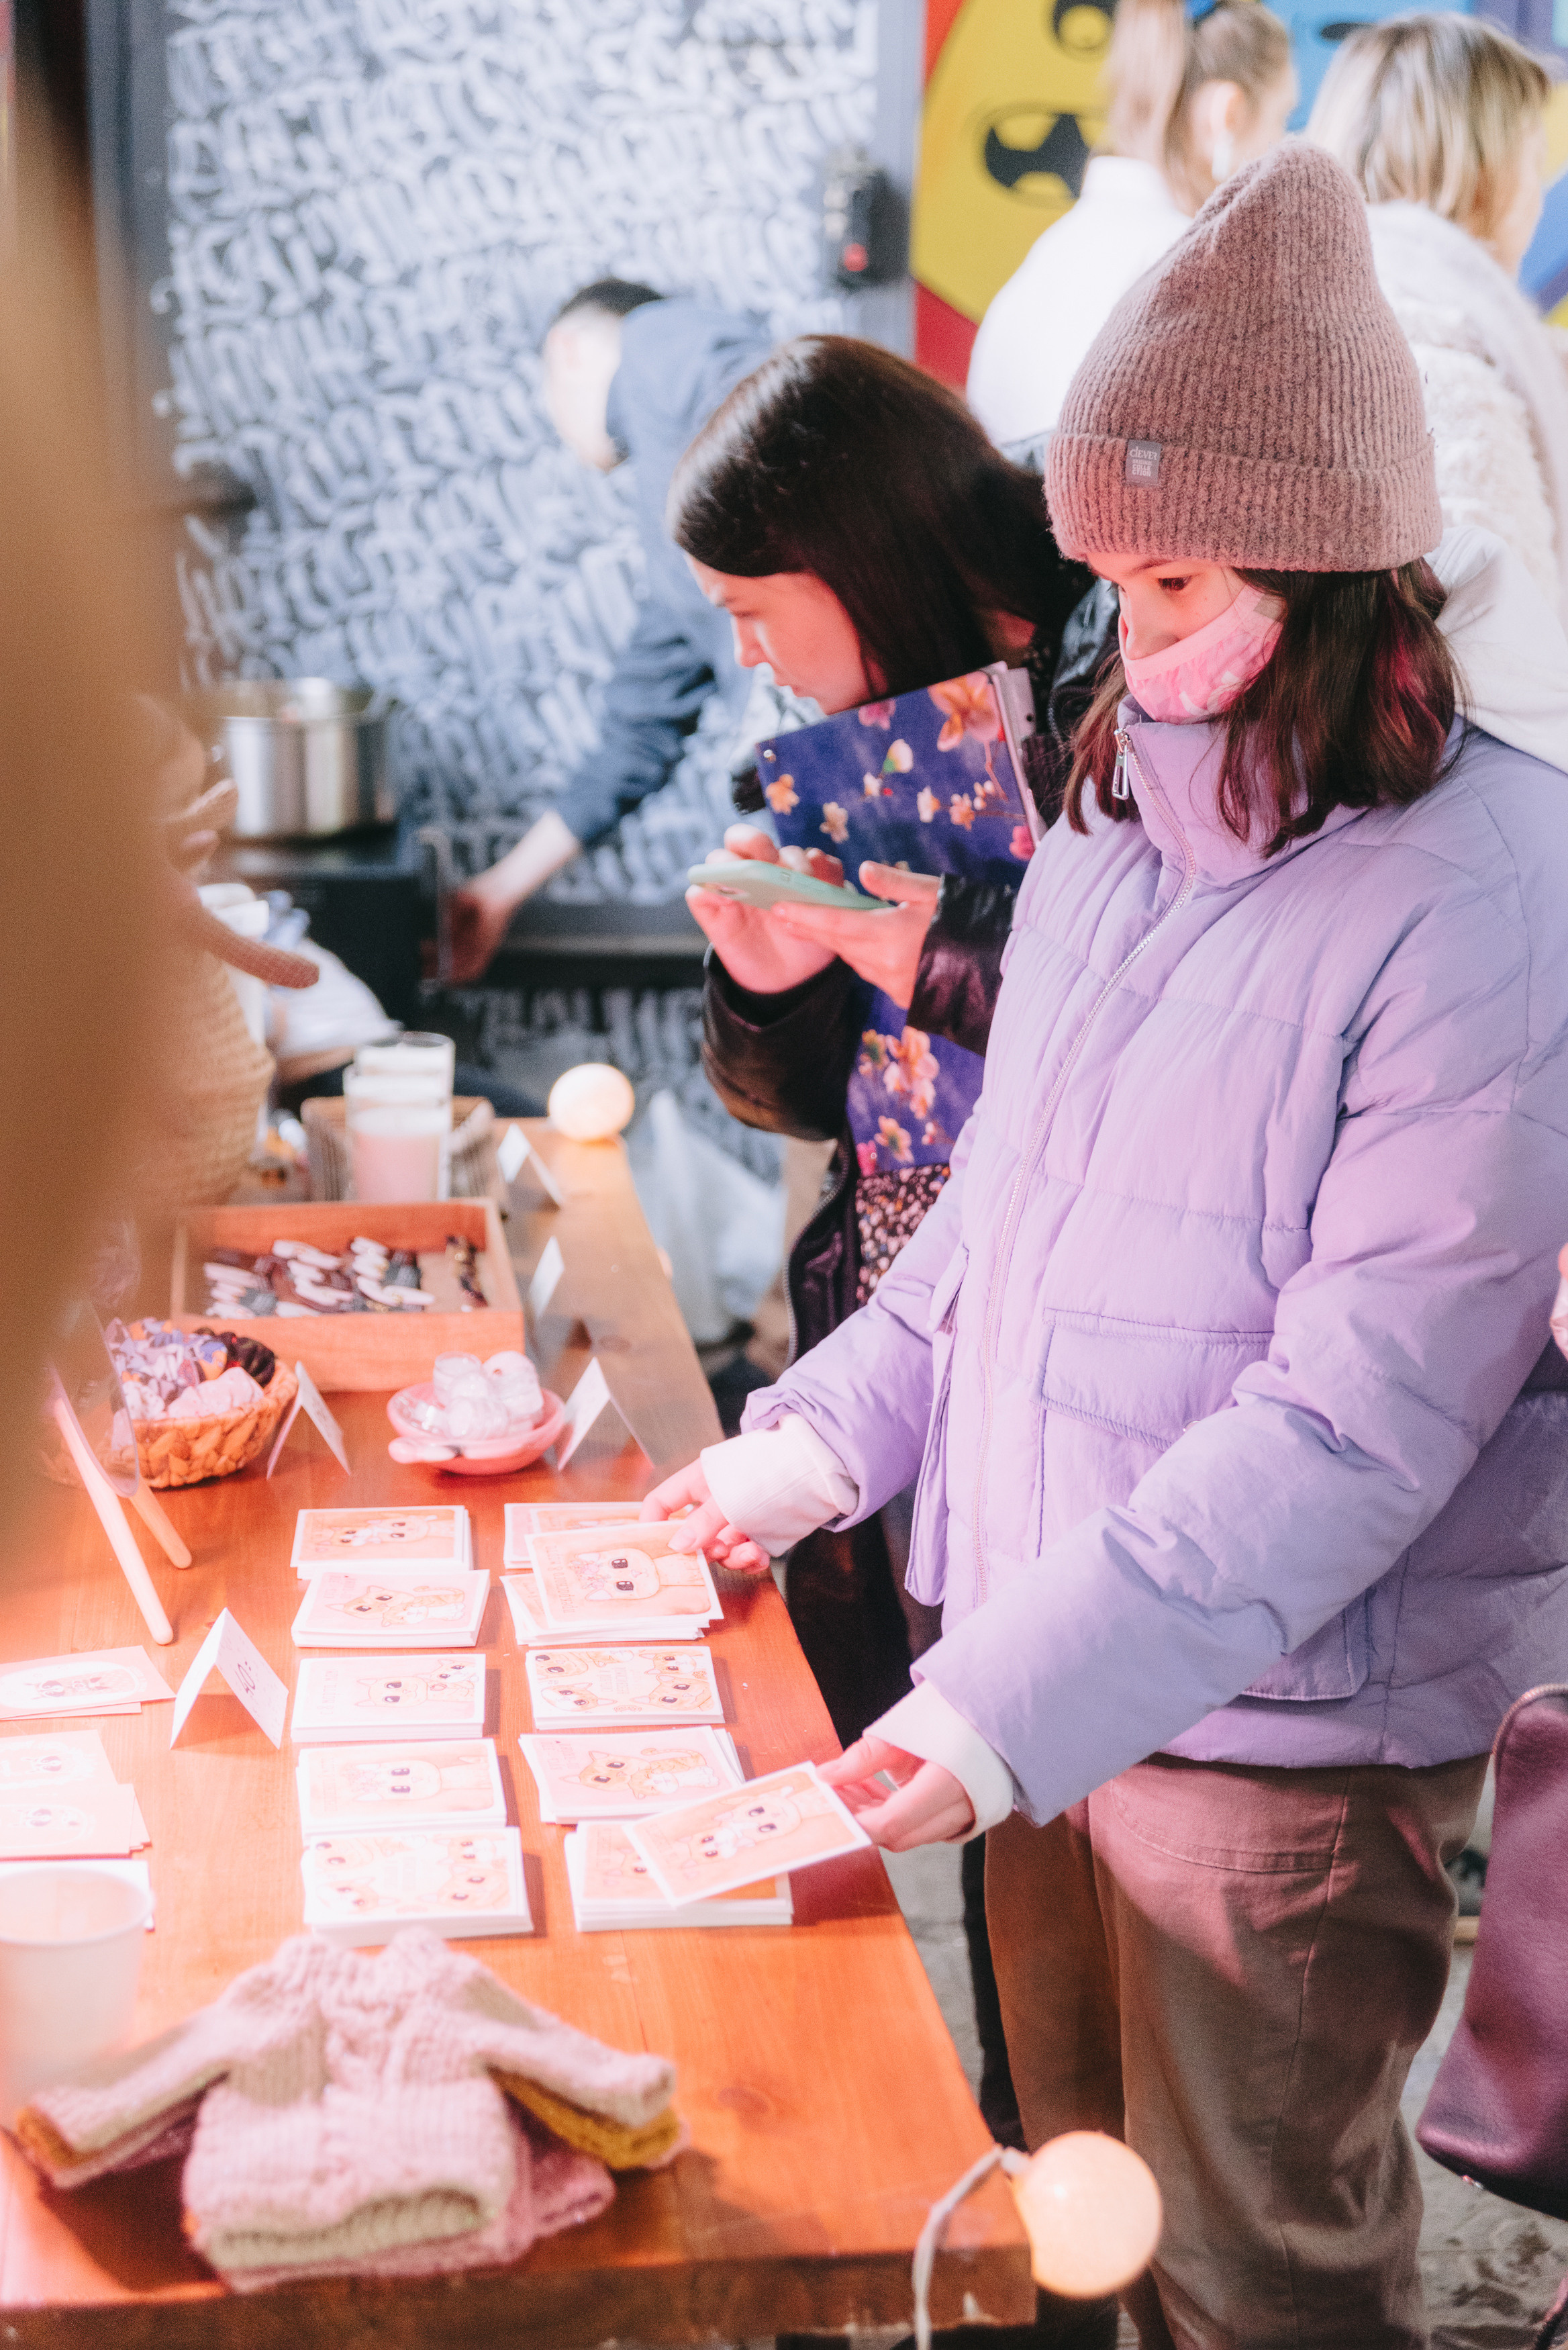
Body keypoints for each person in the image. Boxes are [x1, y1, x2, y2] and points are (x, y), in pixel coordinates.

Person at [642, 146, 1568, 2345]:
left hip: (1277, 1745)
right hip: (1035, 1650)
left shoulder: (1491, 887)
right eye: (1107, 581)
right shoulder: (1114, 801)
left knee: (1249, 2276)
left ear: (1331, 566)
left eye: (1170, 583)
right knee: (1072, 2219)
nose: (1127, 639)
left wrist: (996, 1702)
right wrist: (813, 1442)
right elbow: (993, 1225)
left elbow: (1354, 1421)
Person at [671, 334, 1115, 2148]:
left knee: (1082, 1839)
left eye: (752, 612)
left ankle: (1077, 2199)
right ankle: (1032, 2184)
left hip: (1098, 1353)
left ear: (847, 557)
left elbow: (1146, 1039)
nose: (746, 657)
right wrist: (765, 978)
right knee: (987, 1818)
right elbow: (802, 1102)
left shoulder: (1117, 685)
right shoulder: (834, 754)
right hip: (909, 1329)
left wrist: (908, 948)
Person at [445, 281, 771, 980]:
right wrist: (498, 891)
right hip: (807, 794)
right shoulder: (679, 555)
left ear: (567, 348)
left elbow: (783, 406)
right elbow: (637, 735)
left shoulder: (657, 338)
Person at [1310, 11, 1568, 624]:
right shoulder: (1448, 369)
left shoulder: (1315, 314)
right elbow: (1504, 647)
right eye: (1532, 159)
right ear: (1486, 174)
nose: (1536, 195)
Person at [967, 0, 1294, 461]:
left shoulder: (1057, 250)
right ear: (1228, 115)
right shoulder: (1197, 267)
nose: (1279, 148)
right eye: (1280, 119)